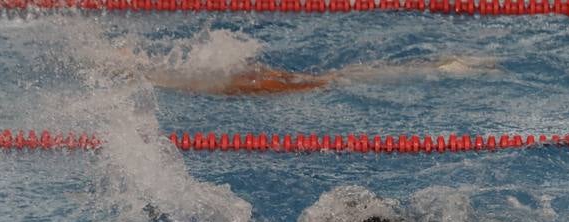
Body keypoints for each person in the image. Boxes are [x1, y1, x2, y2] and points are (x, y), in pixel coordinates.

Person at [139, 55, 498, 96]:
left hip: (257, 83)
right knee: (337, 76)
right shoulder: (161, 76)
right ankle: (440, 65)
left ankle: (441, 66)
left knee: (333, 79)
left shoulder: (159, 78)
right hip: (252, 80)